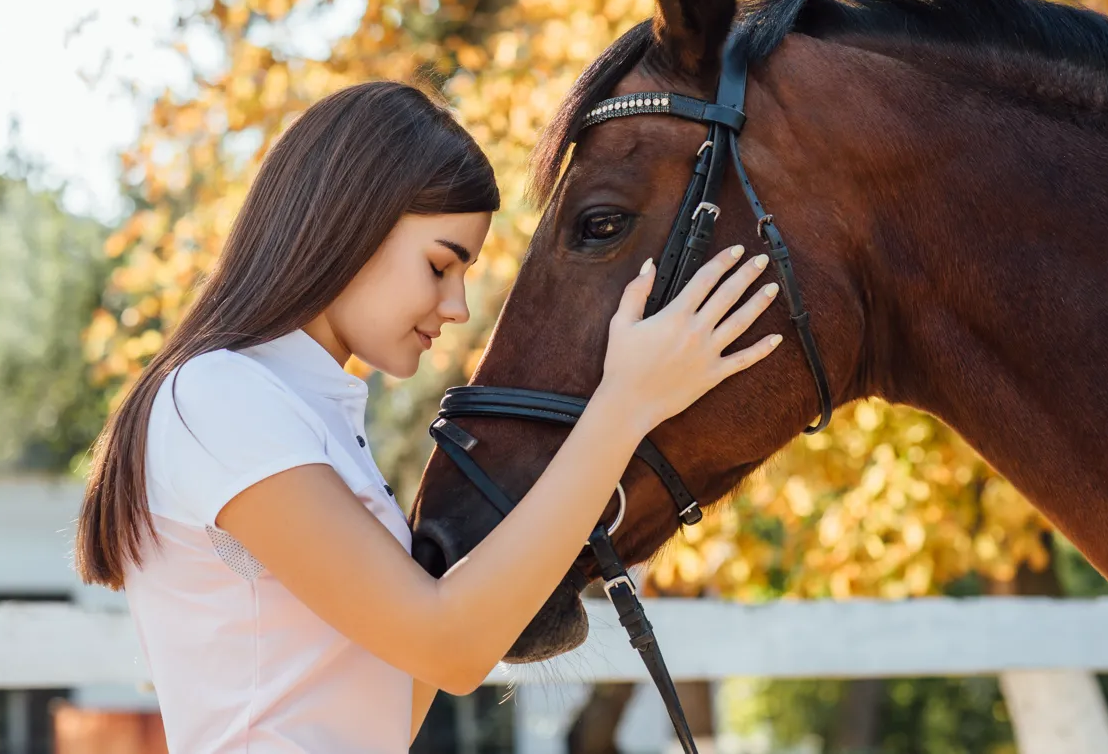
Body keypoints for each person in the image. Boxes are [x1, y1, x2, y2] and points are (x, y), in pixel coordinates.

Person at [74, 80, 782, 753]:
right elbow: (447, 648)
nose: (457, 306)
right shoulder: (221, 398)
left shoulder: (310, 419)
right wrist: (624, 406)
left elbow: (397, 694)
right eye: (441, 265)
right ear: (348, 226)